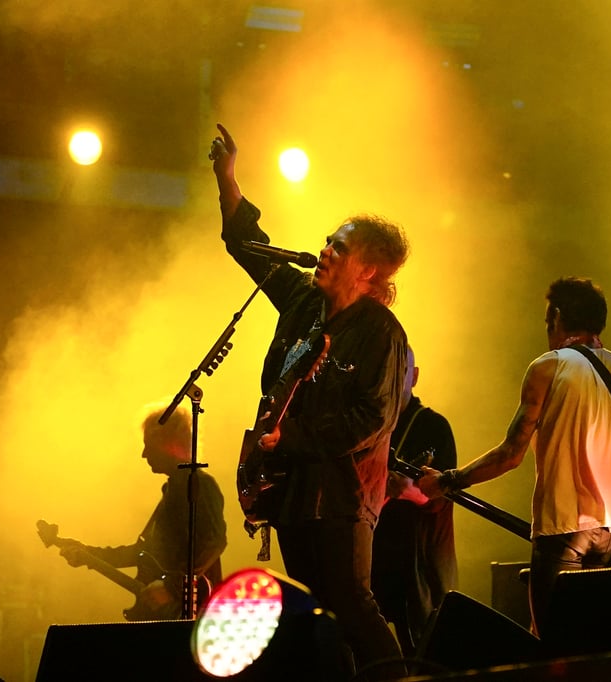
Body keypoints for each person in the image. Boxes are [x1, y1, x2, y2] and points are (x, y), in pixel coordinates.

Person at [210, 123, 410, 680]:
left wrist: (290, 437)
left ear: (367, 269)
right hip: (292, 491)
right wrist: (228, 179)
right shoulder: (302, 303)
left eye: (338, 247)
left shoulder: (381, 334)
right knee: (311, 613)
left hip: (343, 497)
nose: (324, 250)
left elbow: (372, 418)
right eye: (328, 241)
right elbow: (243, 246)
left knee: (350, 603)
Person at [419, 277, 611, 639]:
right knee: (593, 646)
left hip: (562, 529)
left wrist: (448, 480)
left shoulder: (548, 366)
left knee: (551, 646)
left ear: (557, 317)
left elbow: (511, 454)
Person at [56, 402, 227, 620]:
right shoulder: (173, 488)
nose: (144, 454)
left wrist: (173, 586)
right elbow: (144, 553)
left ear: (168, 443)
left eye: (149, 445)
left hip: (190, 614)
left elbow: (214, 541)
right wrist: (88, 554)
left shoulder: (198, 484)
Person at [371, 346, 458, 657]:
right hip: (375, 563)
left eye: (401, 371)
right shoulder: (371, 426)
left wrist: (405, 489)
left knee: (424, 655)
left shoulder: (433, 426)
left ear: (415, 376)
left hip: (420, 568)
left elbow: (444, 496)